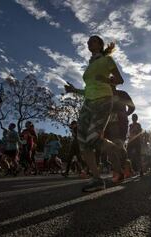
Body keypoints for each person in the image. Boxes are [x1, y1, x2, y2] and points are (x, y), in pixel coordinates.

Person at [64, 35, 124, 192]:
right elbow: (88, 89)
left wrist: (106, 81)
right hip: (88, 102)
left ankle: (115, 152)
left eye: (93, 41)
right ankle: (97, 179)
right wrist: (73, 90)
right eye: (88, 41)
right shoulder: (89, 66)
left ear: (100, 45)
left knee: (93, 137)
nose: (89, 43)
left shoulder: (107, 61)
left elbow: (119, 80)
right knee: (82, 140)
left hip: (104, 99)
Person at [104, 81, 135, 181]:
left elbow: (132, 107)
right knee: (114, 146)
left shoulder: (122, 94)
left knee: (116, 145)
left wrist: (124, 115)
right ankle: (124, 168)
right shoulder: (105, 97)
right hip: (108, 124)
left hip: (119, 123)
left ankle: (121, 170)